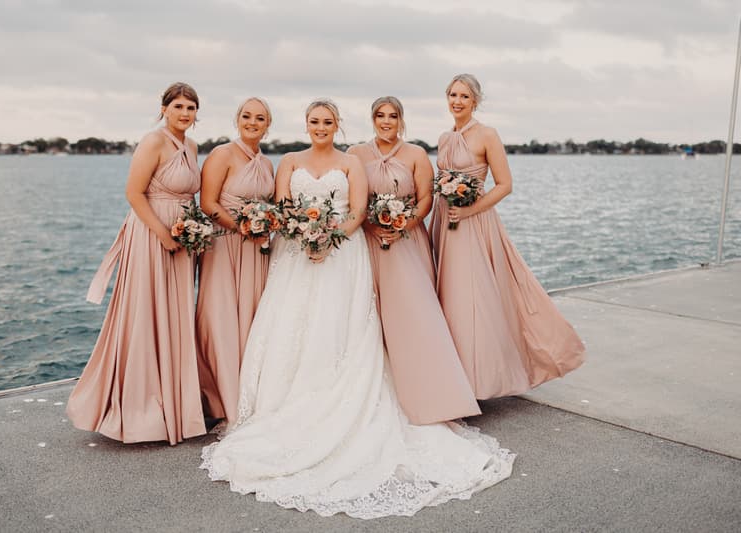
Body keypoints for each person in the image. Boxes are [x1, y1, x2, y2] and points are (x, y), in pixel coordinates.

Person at [200, 99, 514, 519]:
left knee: (339, 329)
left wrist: (329, 239)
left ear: (338, 125)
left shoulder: (351, 162)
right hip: (294, 258)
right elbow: (283, 209)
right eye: (314, 121)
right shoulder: (289, 161)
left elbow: (359, 212)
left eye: (328, 122)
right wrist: (302, 234)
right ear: (306, 124)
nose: (320, 127)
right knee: (290, 327)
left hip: (342, 256)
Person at [430, 73, 586, 399]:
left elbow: (505, 185)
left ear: (475, 102)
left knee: (472, 300)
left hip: (474, 224)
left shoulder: (487, 135)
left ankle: (479, 383)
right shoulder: (444, 138)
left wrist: (470, 211)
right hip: (445, 223)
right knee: (449, 298)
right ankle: (454, 377)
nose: (457, 101)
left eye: (464, 97)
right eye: (453, 95)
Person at [67, 82, 207, 445]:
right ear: (164, 108)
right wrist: (162, 233)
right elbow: (134, 192)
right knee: (146, 312)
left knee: (174, 315)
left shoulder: (191, 146)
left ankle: (174, 404)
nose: (184, 114)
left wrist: (192, 231)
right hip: (150, 234)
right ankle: (139, 409)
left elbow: (190, 194)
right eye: (178, 106)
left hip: (182, 236)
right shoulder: (153, 141)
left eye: (190, 108)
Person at [347, 96, 479, 425]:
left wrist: (402, 223)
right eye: (380, 115)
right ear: (372, 119)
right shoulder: (355, 154)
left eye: (393, 116)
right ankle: (375, 388)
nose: (386, 121)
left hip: (407, 240)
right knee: (370, 311)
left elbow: (425, 201)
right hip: (370, 240)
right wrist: (372, 226)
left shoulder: (416, 154)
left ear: (401, 120)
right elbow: (354, 201)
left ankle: (432, 389)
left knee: (413, 312)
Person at [195, 97, 275, 424]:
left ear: (267, 125)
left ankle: (247, 395)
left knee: (252, 320)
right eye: (246, 116)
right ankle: (217, 398)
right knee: (221, 318)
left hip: (256, 250)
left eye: (259, 118)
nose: (252, 122)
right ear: (237, 120)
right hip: (225, 245)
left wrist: (264, 226)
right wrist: (242, 226)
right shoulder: (222, 155)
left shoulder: (267, 164)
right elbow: (208, 203)